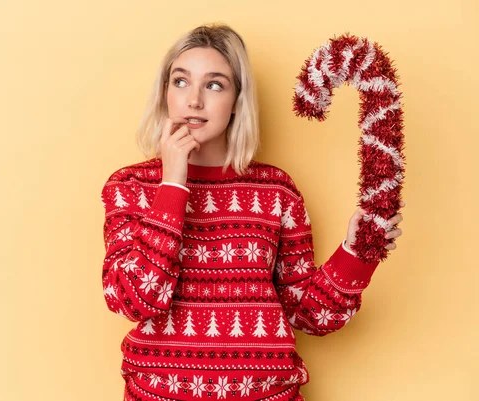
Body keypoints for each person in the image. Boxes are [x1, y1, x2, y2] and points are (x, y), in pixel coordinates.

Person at [99, 23, 404, 401]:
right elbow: (132, 299)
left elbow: (308, 314)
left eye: (214, 85)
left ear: (236, 100)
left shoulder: (277, 192)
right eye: (180, 81)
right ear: (165, 93)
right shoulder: (129, 187)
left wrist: (357, 253)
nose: (194, 100)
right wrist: (173, 183)